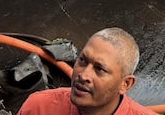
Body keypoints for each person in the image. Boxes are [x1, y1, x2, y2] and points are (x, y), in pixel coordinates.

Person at [18, 27, 155, 115]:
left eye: (99, 69)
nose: (83, 75)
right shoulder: (40, 107)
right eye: (83, 60)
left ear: (125, 84)